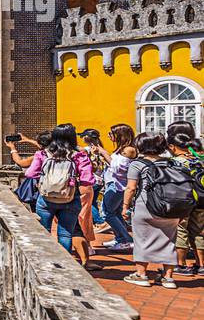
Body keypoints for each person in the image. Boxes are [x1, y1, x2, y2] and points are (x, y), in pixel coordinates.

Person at [26, 124, 96, 267]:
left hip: (46, 198)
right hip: (70, 197)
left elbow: (30, 173)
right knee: (65, 233)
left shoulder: (43, 154)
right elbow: (87, 180)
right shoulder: (79, 155)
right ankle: (63, 264)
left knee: (43, 231)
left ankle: (44, 261)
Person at [123, 133, 188, 288]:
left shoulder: (137, 164)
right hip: (170, 208)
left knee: (142, 240)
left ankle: (141, 274)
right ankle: (168, 278)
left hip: (145, 207)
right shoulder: (173, 163)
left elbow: (131, 188)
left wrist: (125, 206)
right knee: (169, 241)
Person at [168, 132, 204, 276]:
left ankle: (180, 264)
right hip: (201, 200)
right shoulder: (198, 160)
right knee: (199, 232)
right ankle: (201, 264)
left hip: (184, 201)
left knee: (181, 230)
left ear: (172, 146)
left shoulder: (175, 162)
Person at [100, 123, 137, 252]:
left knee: (107, 213)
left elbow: (117, 169)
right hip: (115, 184)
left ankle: (125, 240)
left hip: (118, 186)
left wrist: (104, 153)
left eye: (111, 133)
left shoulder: (129, 150)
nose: (109, 136)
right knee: (114, 213)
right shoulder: (121, 149)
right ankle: (120, 238)